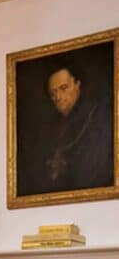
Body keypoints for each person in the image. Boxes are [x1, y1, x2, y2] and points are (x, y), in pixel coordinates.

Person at [37, 59, 113, 193]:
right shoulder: (52, 125)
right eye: (53, 93)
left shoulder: (95, 116)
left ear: (77, 85)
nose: (58, 97)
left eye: (63, 88)